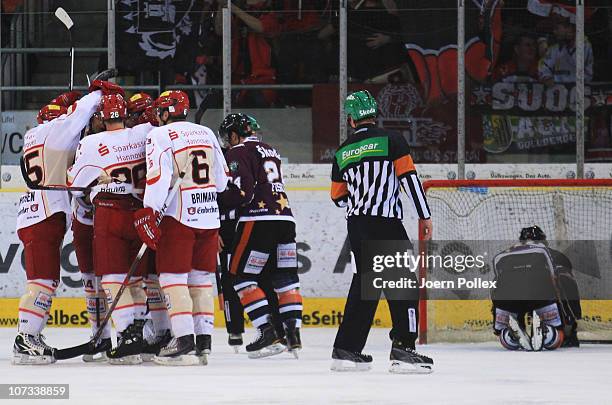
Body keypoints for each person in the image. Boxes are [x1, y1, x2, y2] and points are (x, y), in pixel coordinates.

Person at [330, 90, 434, 374]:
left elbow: (337, 196)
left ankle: (346, 350)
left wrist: (360, 198)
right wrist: (424, 215)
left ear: (351, 119)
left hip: (358, 225)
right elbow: (409, 180)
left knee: (365, 286)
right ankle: (404, 348)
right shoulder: (391, 140)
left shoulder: (342, 151)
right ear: (374, 114)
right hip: (386, 222)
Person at [13, 86, 105, 365]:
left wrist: (66, 99)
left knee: (46, 280)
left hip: (33, 212)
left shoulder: (33, 136)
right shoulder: (55, 132)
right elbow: (79, 115)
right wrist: (97, 92)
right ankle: (24, 340)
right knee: (42, 282)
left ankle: (32, 335)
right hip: (45, 214)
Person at [134, 90, 228, 366]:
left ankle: (183, 339)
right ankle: (203, 341)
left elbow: (158, 180)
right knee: (200, 280)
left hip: (179, 219)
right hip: (210, 217)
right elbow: (222, 182)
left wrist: (149, 211)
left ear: (164, 113)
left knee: (172, 279)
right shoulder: (207, 133)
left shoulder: (160, 136)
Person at [67, 92, 155, 365]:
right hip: (139, 211)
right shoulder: (144, 133)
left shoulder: (92, 142)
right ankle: (139, 335)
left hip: (110, 213)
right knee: (138, 280)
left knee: (113, 279)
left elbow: (75, 183)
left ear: (103, 117)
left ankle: (128, 334)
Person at [219, 113, 302, 359]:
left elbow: (243, 191)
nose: (227, 142)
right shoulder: (271, 151)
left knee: (241, 277)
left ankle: (267, 331)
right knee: (286, 280)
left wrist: (215, 203)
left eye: (228, 137)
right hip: (286, 219)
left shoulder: (238, 152)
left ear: (234, 134)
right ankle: (293, 336)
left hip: (258, 220)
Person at [491, 225, 581, 351]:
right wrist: (571, 318)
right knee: (558, 337)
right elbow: (567, 283)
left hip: (507, 299)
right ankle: (549, 332)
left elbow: (495, 286)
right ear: (544, 241)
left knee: (506, 334)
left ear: (520, 241)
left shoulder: (502, 256)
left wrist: (497, 320)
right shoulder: (554, 255)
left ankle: (508, 335)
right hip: (540, 295)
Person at [538, 13, 593, 86]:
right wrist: (546, 77)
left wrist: (555, 79)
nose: (554, 32)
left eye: (557, 28)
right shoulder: (555, 48)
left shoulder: (585, 46)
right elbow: (544, 65)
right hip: (557, 92)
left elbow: (584, 75)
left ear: (569, 28)